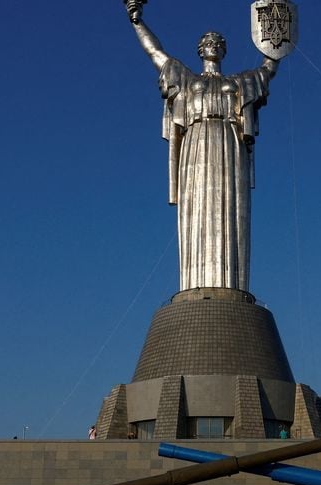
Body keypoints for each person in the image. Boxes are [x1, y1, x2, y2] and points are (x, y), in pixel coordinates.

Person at [125, 0, 280, 291]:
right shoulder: (185, 79)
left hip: (229, 141)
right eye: (208, 41)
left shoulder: (239, 82)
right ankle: (195, 285)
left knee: (231, 208)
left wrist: (275, 31)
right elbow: (155, 53)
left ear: (223, 50)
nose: (213, 44)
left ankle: (232, 285)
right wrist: (136, 20)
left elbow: (268, 69)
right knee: (198, 210)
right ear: (200, 49)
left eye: (218, 42)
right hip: (196, 143)